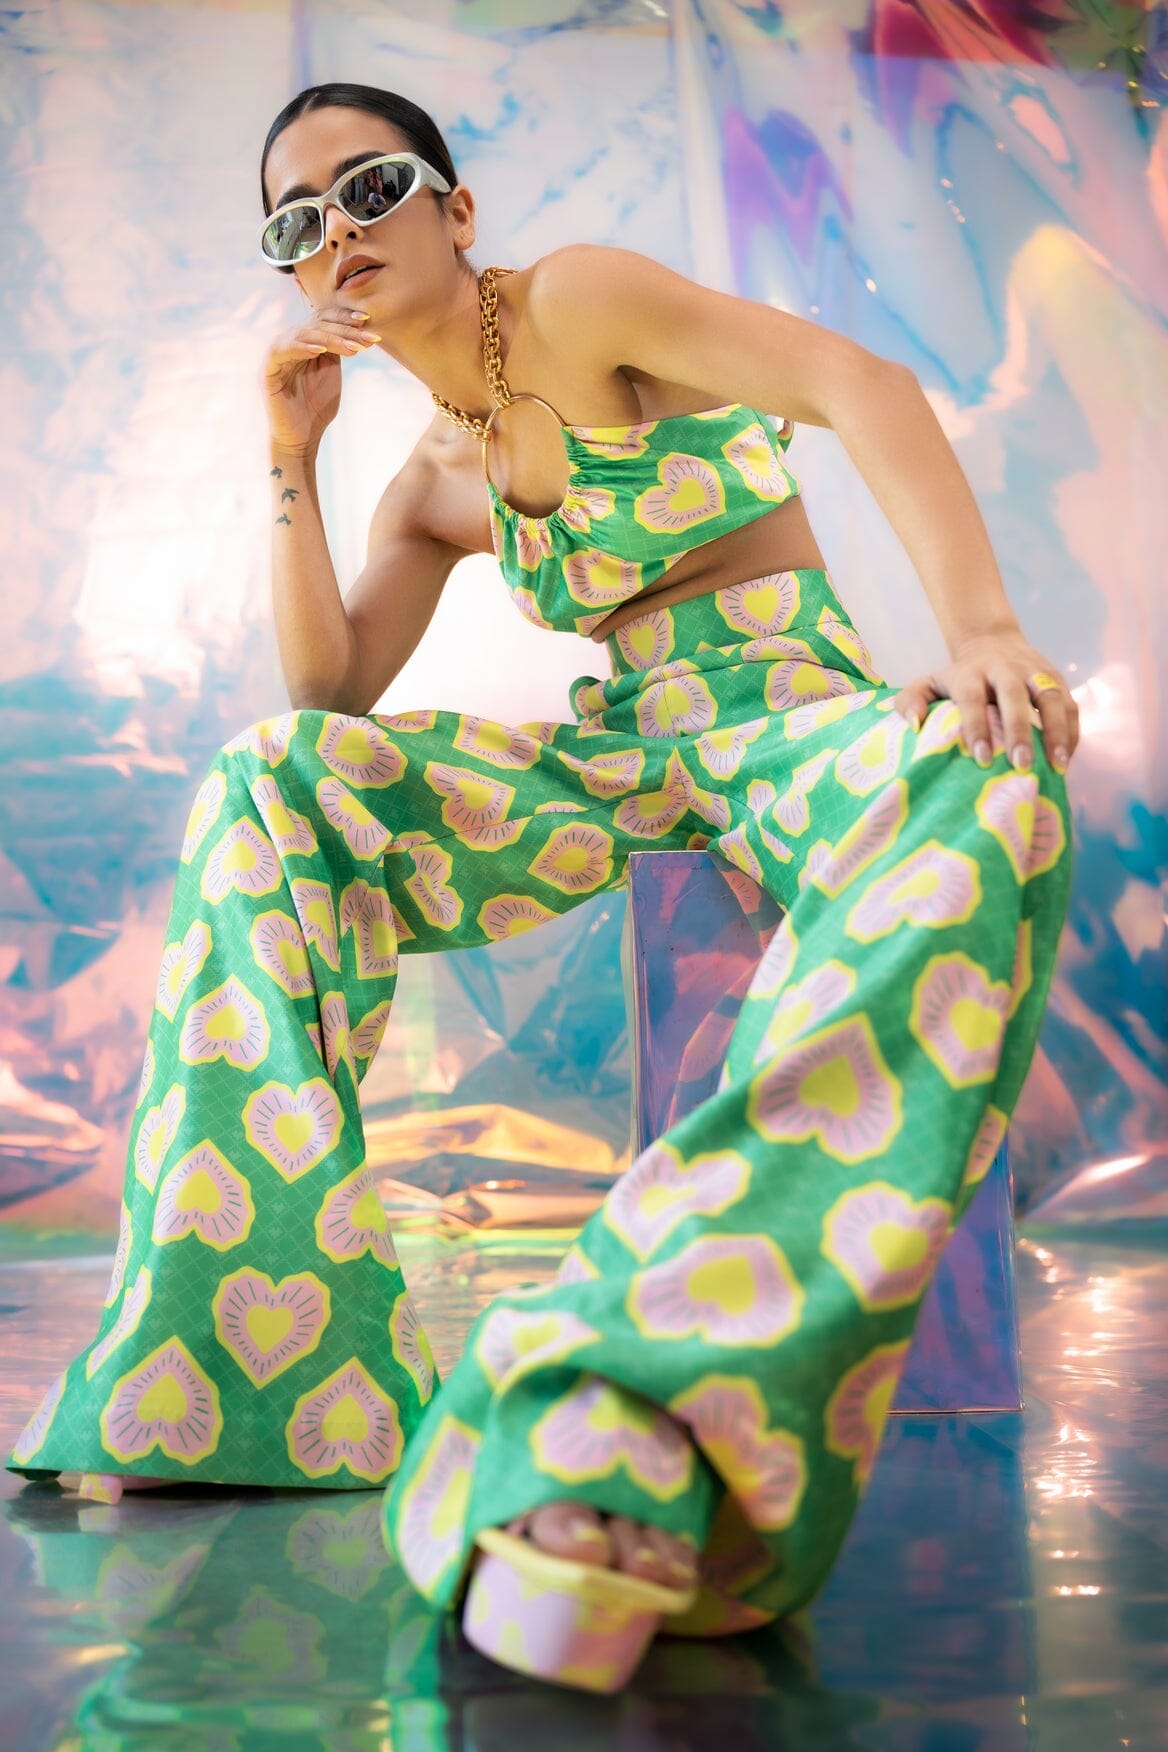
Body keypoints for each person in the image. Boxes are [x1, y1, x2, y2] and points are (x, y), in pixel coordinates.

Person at [7, 81, 1076, 1692]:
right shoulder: (431, 477)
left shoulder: (578, 300)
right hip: (622, 755)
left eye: (371, 188)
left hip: (788, 710)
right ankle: (246, 1378)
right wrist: (289, 454)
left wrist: (982, 630)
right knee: (271, 782)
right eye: (298, 221)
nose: (339, 232)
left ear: (456, 208)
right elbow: (330, 698)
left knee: (987, 782)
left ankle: (640, 1404)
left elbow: (858, 382)